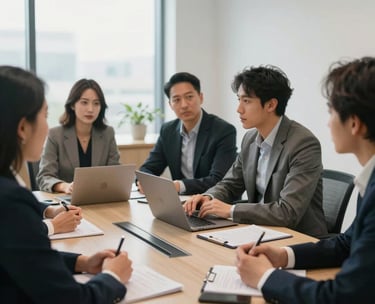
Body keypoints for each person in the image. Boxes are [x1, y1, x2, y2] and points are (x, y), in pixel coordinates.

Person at [236, 57, 375, 303]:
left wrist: (265, 277)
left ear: (354, 123)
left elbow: (342, 297)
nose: (328, 122)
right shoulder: (370, 179)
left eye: (331, 111)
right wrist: (283, 256)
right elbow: (345, 244)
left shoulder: (303, 142)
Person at [0, 65, 132, 303]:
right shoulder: (10, 201)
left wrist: (81, 262)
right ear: (22, 127)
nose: (47, 125)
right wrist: (113, 276)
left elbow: (24, 255)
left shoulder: (8, 184)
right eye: (44, 114)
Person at [184, 65, 327, 237]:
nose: (239, 109)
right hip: (259, 231)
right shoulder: (250, 139)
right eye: (239, 100)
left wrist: (231, 210)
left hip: (298, 238)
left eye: (246, 101)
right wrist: (209, 198)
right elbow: (230, 184)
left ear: (271, 104)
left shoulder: (303, 144)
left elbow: (287, 212)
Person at [138, 72, 237, 195]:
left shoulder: (223, 130)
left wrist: (178, 186)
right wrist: (145, 182)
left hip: (212, 201)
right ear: (170, 105)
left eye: (189, 97)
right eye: (177, 100)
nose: (184, 105)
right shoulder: (167, 131)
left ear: (200, 97)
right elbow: (148, 168)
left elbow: (219, 180)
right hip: (180, 202)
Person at [37, 78, 120, 193]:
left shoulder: (108, 133)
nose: (90, 109)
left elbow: (115, 173)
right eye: (84, 102)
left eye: (96, 103)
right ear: (72, 105)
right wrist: (65, 186)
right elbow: (45, 177)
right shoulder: (55, 135)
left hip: (99, 199)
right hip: (66, 202)